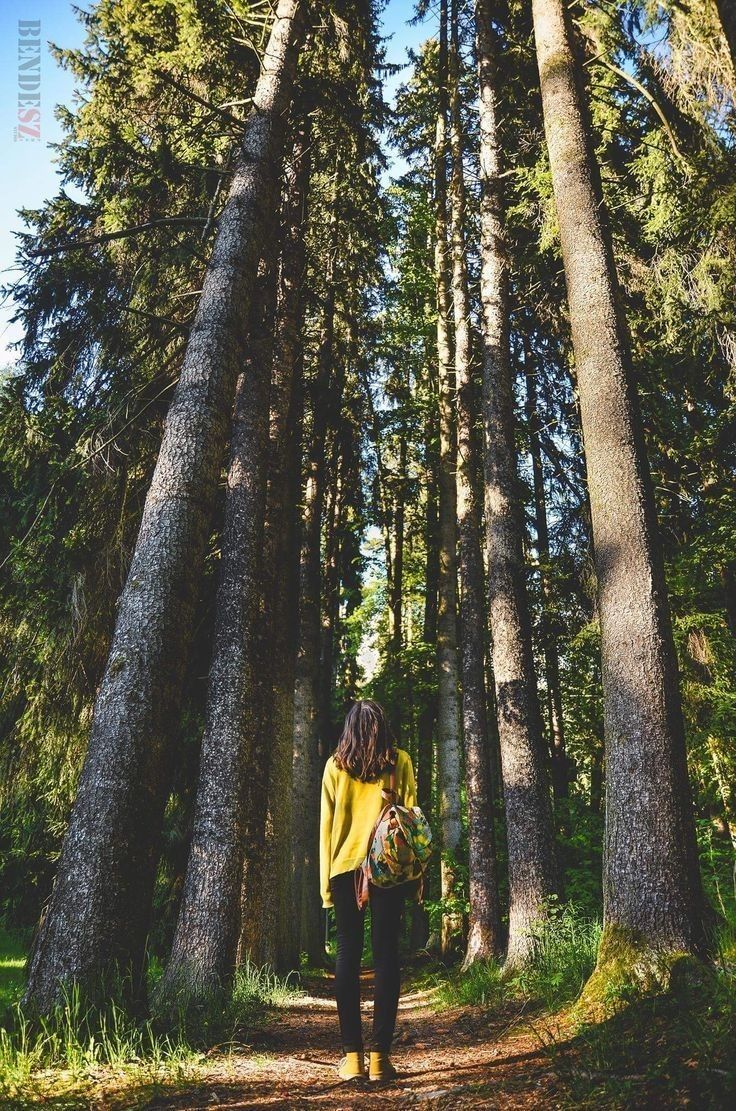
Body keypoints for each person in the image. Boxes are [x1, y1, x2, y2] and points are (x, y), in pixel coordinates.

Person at [319, 698, 418, 1083]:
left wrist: (325, 886)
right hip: (387, 869)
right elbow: (410, 817)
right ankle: (380, 1058)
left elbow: (325, 830)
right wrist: (412, 877)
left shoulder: (334, 767)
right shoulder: (400, 762)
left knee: (347, 953)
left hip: (344, 869)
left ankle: (351, 1058)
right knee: (386, 955)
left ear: (348, 730)